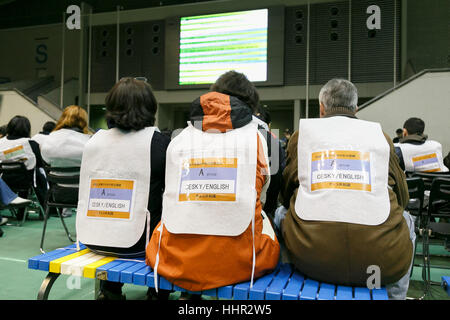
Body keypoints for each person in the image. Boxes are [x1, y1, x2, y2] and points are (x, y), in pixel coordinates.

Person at [278, 78, 414, 300]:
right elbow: (402, 197)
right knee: (406, 218)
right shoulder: (381, 136)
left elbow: (285, 194)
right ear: (356, 108)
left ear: (321, 108)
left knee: (280, 213)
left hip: (310, 259)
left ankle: (289, 289)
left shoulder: (302, 134)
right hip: (381, 263)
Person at [146, 70, 280, 293]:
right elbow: (268, 197)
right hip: (240, 261)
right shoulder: (265, 139)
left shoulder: (179, 137)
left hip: (175, 258)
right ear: (251, 106)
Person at [75, 77, 170, 300]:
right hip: (141, 245)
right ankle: (158, 294)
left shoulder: (94, 141)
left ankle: (109, 291)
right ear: (150, 108)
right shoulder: (158, 143)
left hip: (91, 239)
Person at [40, 106, 91, 213]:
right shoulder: (89, 142)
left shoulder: (49, 139)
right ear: (84, 121)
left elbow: (46, 160)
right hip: (85, 195)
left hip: (57, 194)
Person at [0, 115, 47, 219]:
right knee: (39, 173)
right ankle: (45, 208)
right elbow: (39, 164)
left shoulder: (1, 142)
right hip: (26, 181)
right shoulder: (30, 143)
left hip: (4, 181)